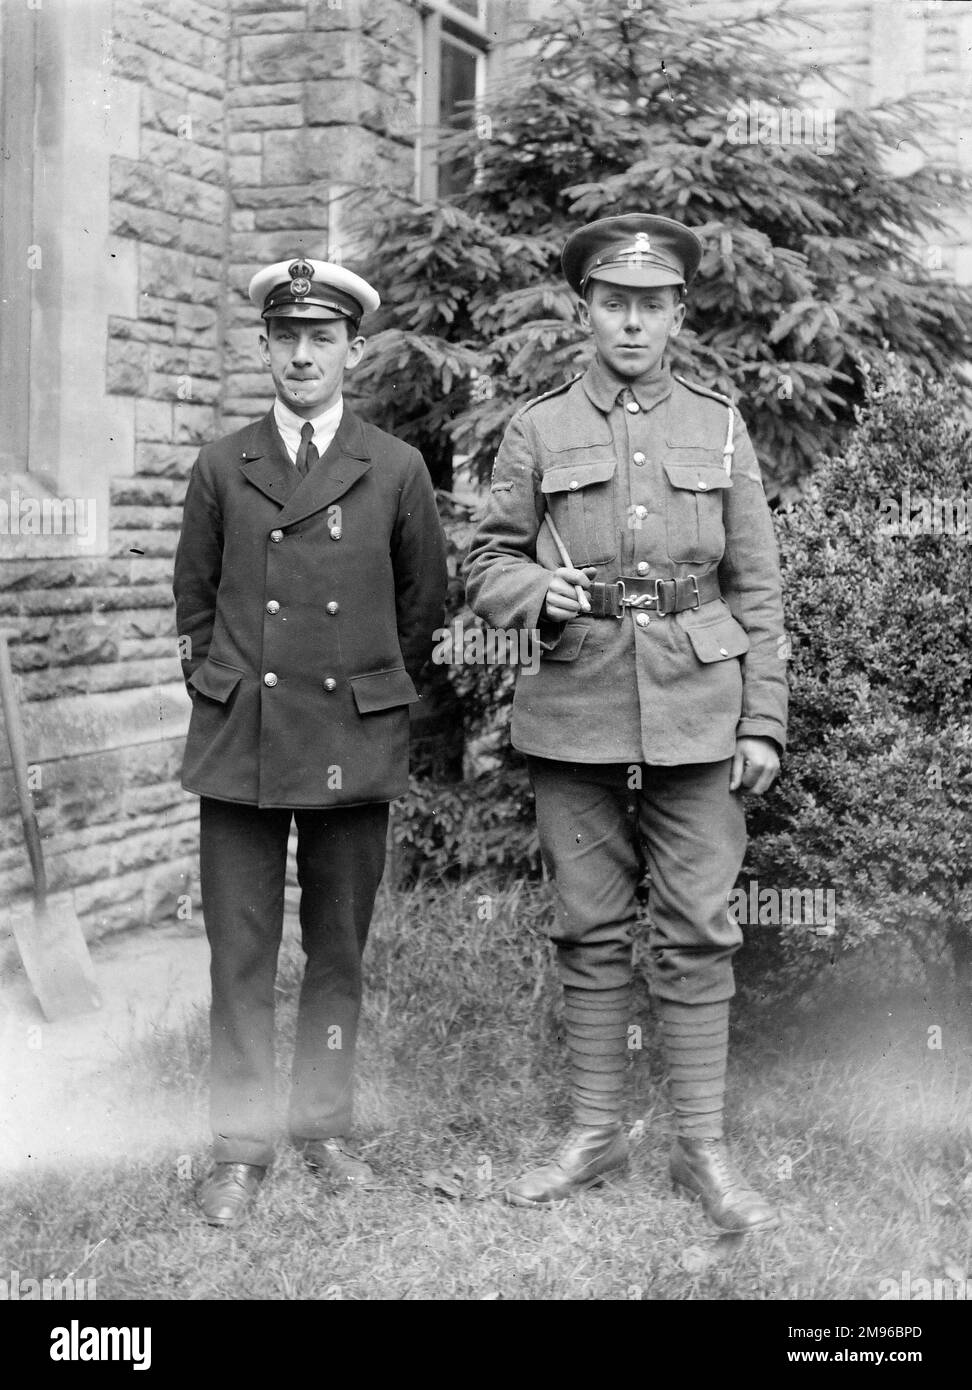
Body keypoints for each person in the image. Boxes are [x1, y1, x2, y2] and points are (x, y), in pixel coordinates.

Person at [464, 214, 788, 1230]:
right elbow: (485, 561)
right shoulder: (536, 428)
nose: (634, 322)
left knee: (698, 929)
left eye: (653, 305)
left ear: (678, 314)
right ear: (585, 310)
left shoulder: (721, 425)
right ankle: (596, 1130)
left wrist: (764, 722)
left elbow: (760, 588)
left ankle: (702, 1146)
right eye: (616, 303)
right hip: (577, 712)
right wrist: (532, 593)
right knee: (588, 926)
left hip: (700, 711)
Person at [173, 256, 447, 1227]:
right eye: (286, 337)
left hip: (350, 735)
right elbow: (193, 600)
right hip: (243, 739)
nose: (301, 354)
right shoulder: (223, 463)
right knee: (237, 956)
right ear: (266, 347)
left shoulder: (396, 467)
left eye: (320, 338)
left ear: (352, 350)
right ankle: (240, 1149)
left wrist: (366, 684)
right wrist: (226, 682)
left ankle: (323, 1128)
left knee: (338, 947)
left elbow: (424, 604)